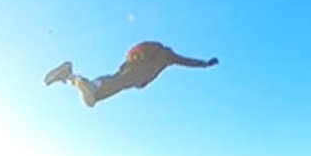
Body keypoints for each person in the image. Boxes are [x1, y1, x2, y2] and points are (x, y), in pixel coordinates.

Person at [43, 41, 219, 107]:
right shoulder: (167, 54)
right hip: (135, 74)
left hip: (129, 72)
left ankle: (69, 76)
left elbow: (129, 57)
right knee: (116, 83)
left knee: (94, 99)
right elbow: (187, 61)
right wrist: (205, 64)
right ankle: (82, 81)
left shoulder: (159, 52)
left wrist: (205, 64)